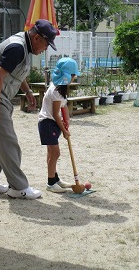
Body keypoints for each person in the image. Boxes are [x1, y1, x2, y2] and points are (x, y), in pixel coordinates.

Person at [0, 19, 58, 199]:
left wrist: (27, 92)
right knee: (8, 142)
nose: (45, 49)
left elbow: (14, 72)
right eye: (46, 44)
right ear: (37, 38)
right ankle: (18, 187)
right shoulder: (17, 47)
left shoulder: (25, 47)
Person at [38, 58, 80, 193]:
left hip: (52, 123)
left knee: (52, 153)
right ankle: (51, 183)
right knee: (55, 153)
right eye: (73, 75)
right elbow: (56, 114)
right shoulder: (56, 90)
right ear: (68, 76)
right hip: (48, 123)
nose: (74, 78)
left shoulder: (61, 89)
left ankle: (55, 178)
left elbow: (64, 107)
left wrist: (66, 121)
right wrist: (64, 130)